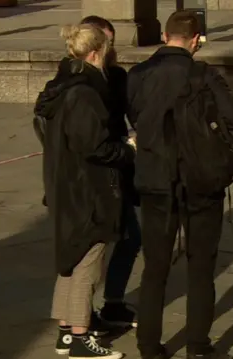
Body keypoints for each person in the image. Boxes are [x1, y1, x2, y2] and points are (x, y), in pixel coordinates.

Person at [127, 10, 233, 359]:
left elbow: (135, 117)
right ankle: (197, 345)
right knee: (200, 266)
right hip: (201, 179)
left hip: (155, 180)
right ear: (195, 40)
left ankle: (149, 346)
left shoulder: (137, 75)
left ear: (165, 37)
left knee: (155, 269)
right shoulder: (204, 74)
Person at [35, 23, 136, 359]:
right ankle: (80, 337)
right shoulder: (84, 94)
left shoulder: (61, 86)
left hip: (65, 186)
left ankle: (66, 331)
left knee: (71, 259)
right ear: (96, 52)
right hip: (88, 191)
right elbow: (96, 147)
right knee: (87, 267)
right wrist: (128, 149)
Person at [80, 15, 141, 330]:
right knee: (90, 250)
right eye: (105, 43)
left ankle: (113, 302)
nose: (109, 49)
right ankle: (80, 317)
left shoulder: (117, 77)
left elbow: (133, 112)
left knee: (130, 239)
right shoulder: (78, 84)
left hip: (119, 166)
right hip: (93, 176)